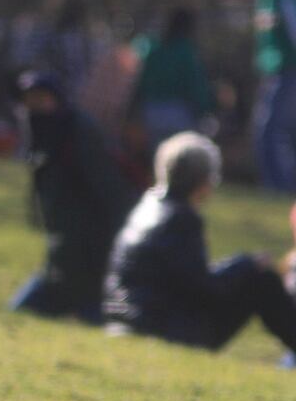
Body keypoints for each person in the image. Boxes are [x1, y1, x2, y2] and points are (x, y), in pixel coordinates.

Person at [104, 132, 296, 356]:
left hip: (125, 322)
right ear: (203, 181)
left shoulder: (147, 207)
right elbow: (204, 289)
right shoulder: (182, 219)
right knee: (262, 280)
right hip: (162, 329)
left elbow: (189, 280)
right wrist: (247, 264)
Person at [10, 71, 138, 323]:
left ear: (56, 99)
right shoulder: (40, 134)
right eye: (29, 99)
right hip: (64, 252)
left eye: (41, 98)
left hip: (92, 251)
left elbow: (109, 190)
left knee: (92, 313)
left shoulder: (78, 133)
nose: (34, 105)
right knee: (22, 312)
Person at [131, 8, 214, 151]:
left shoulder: (154, 49)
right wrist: (205, 108)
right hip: (178, 113)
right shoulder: (186, 52)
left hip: (152, 112)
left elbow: (141, 82)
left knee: (158, 157)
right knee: (182, 157)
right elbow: (195, 86)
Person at [251, 0, 296, 192]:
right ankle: (274, 186)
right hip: (274, 74)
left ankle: (283, 188)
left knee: (273, 132)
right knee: (267, 133)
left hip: (289, 72)